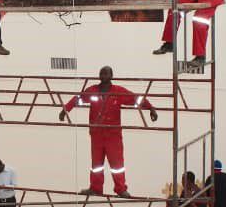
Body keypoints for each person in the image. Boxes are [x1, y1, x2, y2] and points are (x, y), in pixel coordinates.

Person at [59, 66, 157, 197]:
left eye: (106, 73)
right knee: (96, 164)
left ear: (111, 76)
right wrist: (66, 109)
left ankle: (121, 189)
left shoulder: (118, 91)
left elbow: (135, 99)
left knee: (117, 164)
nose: (103, 75)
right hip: (97, 134)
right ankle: (95, 188)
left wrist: (150, 108)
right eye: (101, 73)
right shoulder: (92, 90)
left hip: (113, 136)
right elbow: (78, 99)